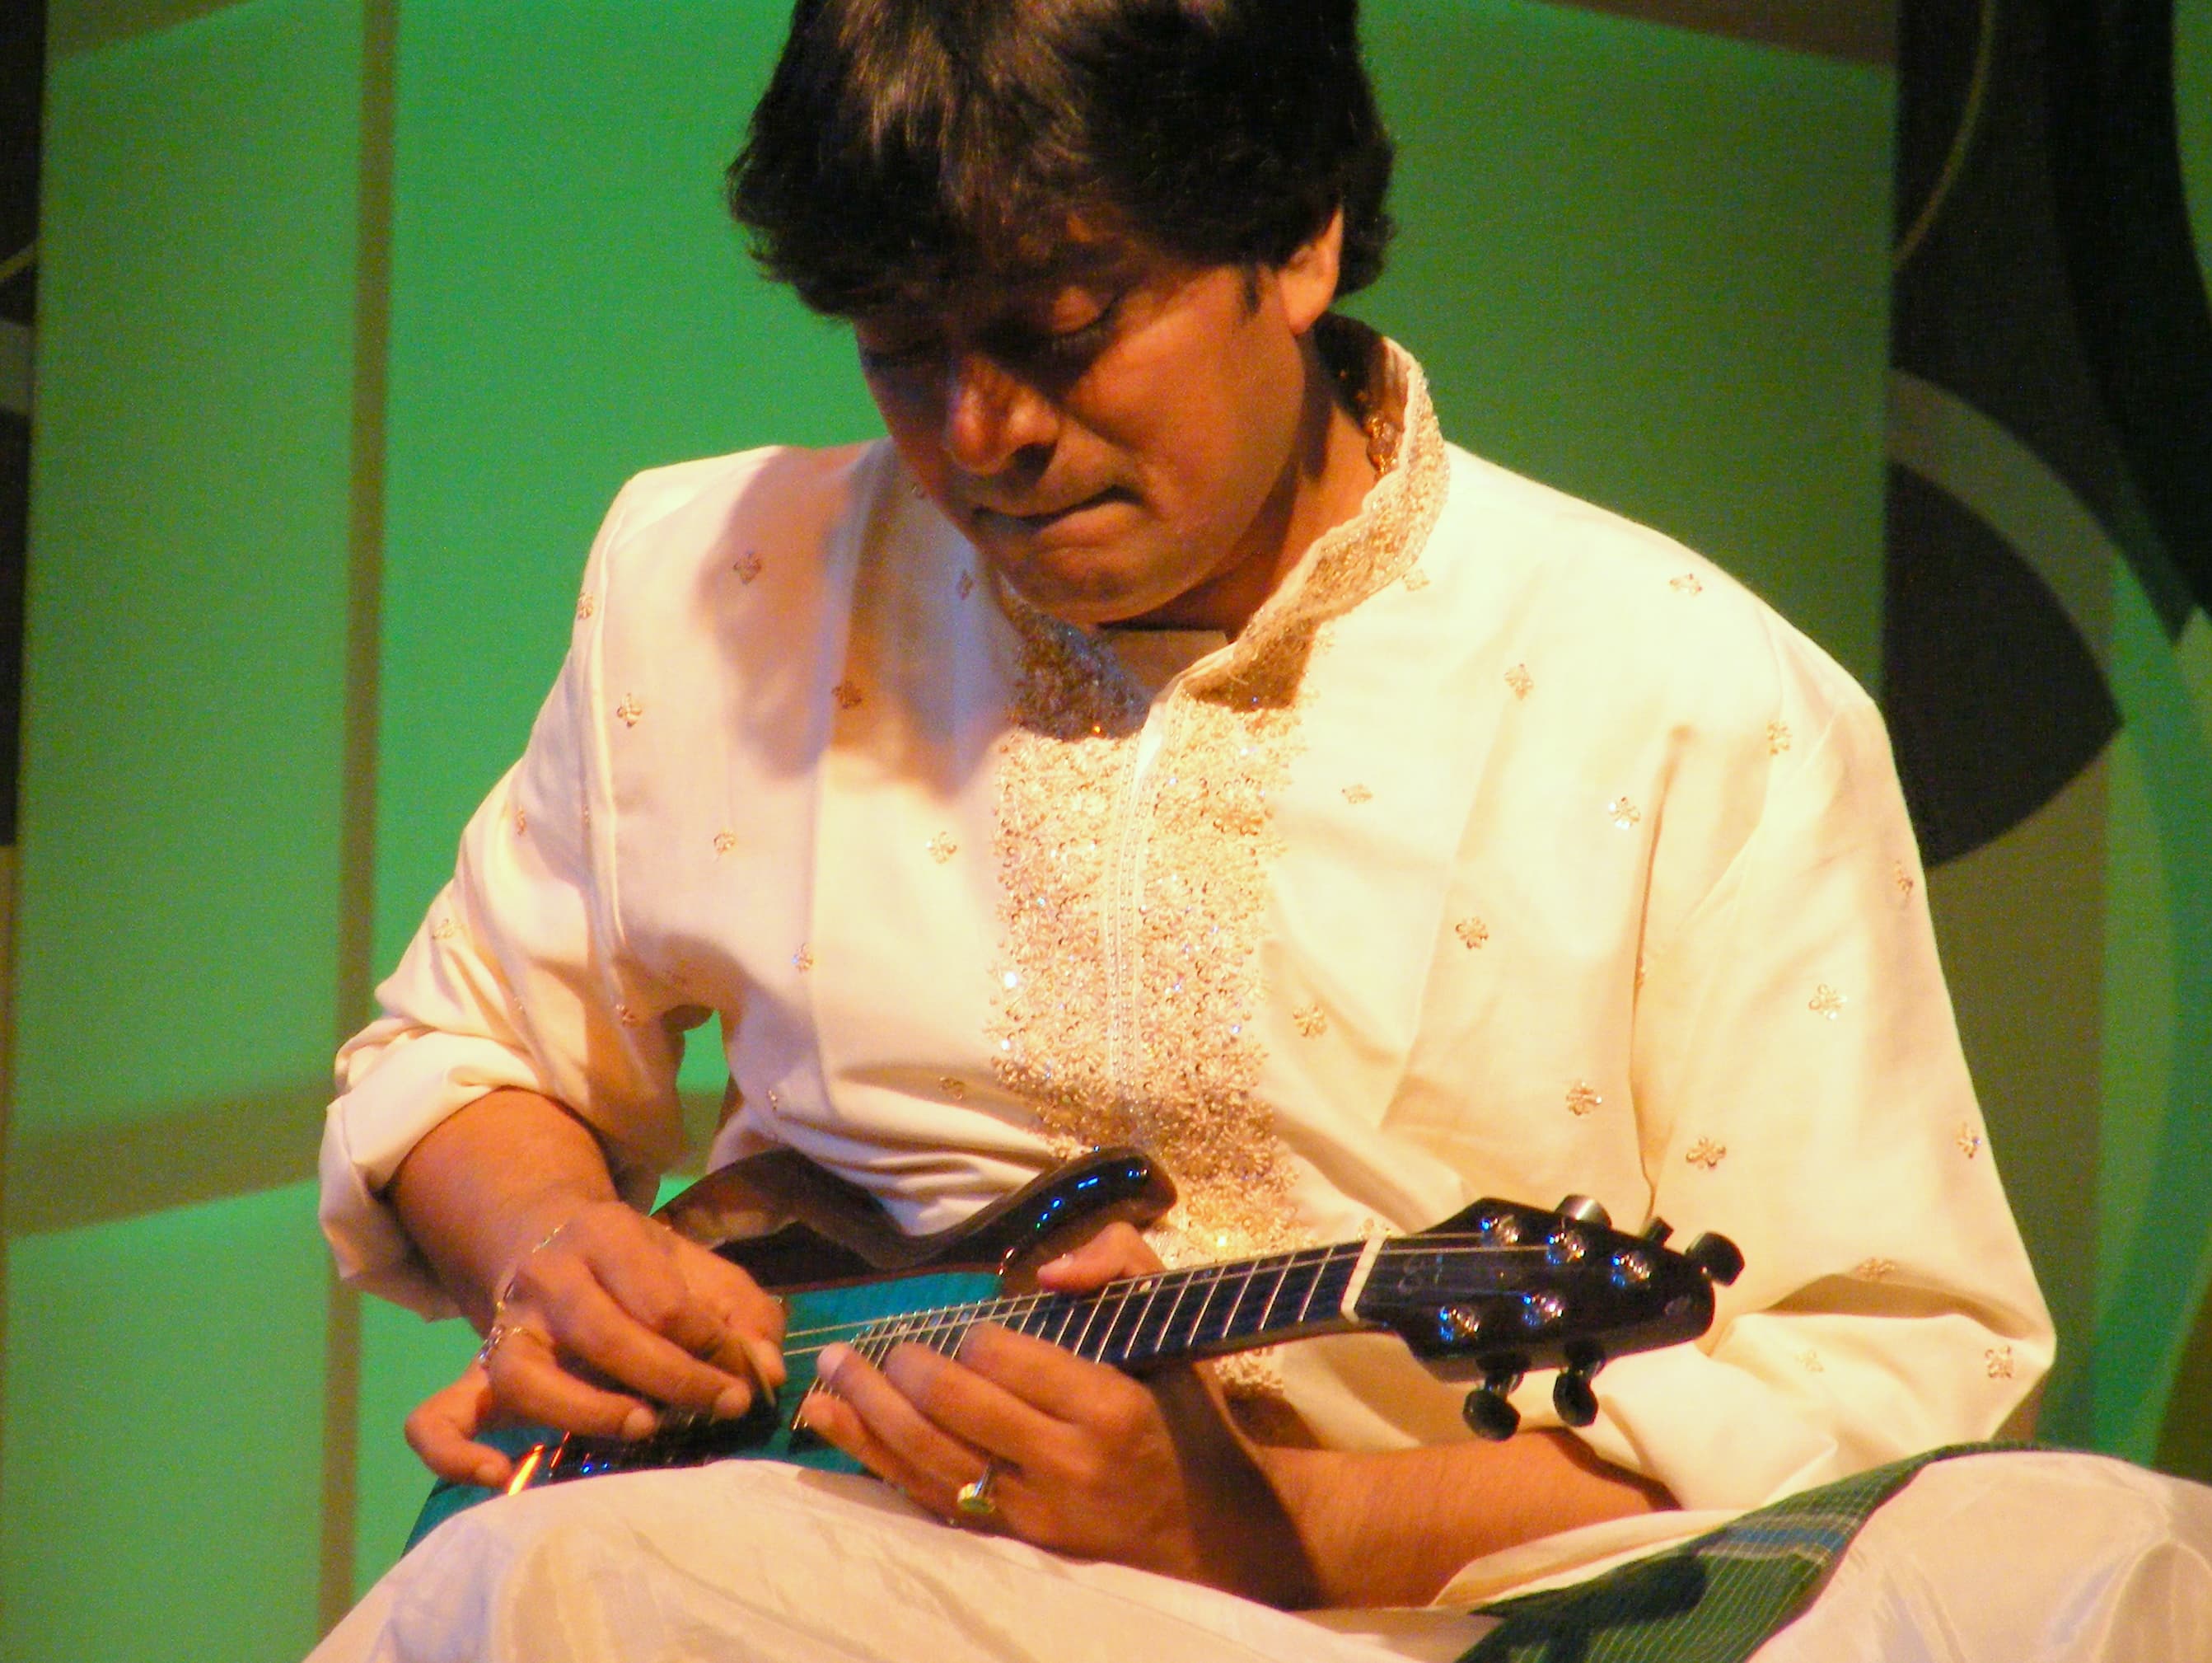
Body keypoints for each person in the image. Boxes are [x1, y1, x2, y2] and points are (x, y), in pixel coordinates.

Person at [310, 2, 2209, 1658]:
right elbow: (464, 1050)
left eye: (1059, 331)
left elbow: (1883, 1370)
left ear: (1295, 240)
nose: (980, 433)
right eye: (902, 349)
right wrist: (550, 1242)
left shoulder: (1690, 695)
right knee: (580, 1587)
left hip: (1477, 1606)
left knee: (2100, 1561)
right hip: (840, 1564)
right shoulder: (713, 581)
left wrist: (1266, 1533)